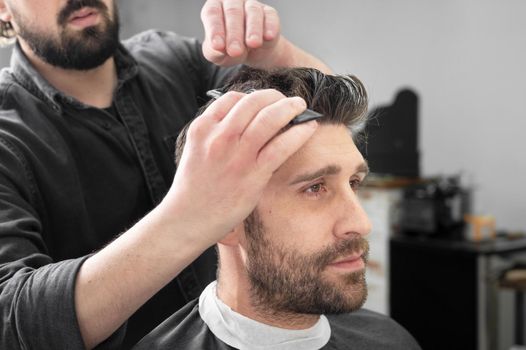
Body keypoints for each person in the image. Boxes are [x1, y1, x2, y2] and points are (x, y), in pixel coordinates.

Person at [0, 0, 331, 349]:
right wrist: (191, 216)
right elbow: (11, 324)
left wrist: (274, 54)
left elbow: (334, 124)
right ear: (4, 8)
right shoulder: (8, 138)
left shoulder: (179, 60)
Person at [133, 67, 422, 350]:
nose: (361, 223)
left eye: (355, 182)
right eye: (315, 187)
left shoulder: (392, 340)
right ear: (225, 220)